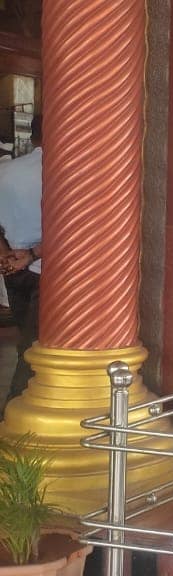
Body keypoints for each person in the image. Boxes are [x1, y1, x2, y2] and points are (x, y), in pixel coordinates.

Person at [0, 115, 43, 409]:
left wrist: (5, 254)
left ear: (31, 136)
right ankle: (13, 412)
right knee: (34, 346)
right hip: (45, 268)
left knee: (26, 341)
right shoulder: (63, 172)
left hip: (13, 269)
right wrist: (31, 255)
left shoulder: (7, 172)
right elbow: (68, 230)